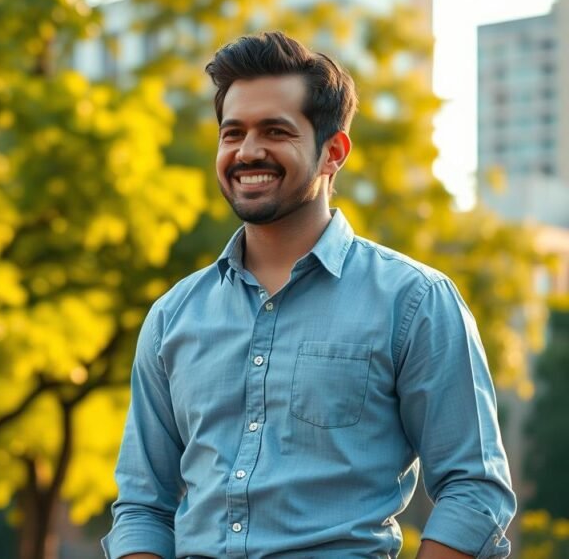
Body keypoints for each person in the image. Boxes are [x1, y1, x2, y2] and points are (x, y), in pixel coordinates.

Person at [101, 31, 515, 559]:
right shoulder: (173, 316)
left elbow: (474, 490)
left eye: (275, 131)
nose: (248, 151)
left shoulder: (415, 302)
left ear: (332, 152)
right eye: (233, 133)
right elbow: (142, 506)